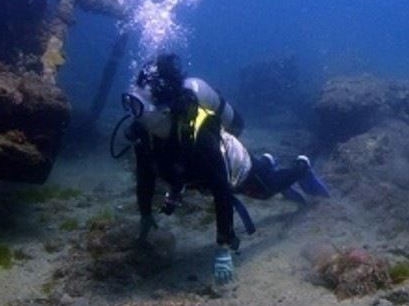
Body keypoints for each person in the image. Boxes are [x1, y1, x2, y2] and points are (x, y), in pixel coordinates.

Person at [117, 53, 329, 284]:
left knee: (267, 190)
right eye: (129, 103)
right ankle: (267, 162)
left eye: (137, 106)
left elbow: (222, 191)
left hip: (236, 166)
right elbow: (145, 177)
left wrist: (223, 248)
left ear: (163, 109)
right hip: (201, 175)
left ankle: (302, 166)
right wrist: (145, 214)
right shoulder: (146, 136)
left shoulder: (200, 138)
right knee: (261, 175)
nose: (132, 114)